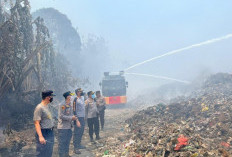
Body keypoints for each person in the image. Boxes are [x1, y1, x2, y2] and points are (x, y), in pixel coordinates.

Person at [57, 91, 80, 157]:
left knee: (67, 142)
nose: (72, 97)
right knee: (62, 143)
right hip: (63, 127)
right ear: (67, 97)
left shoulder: (70, 104)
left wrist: (76, 119)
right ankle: (61, 155)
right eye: (71, 95)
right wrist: (71, 118)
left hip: (69, 127)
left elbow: (72, 114)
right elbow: (61, 116)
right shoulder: (62, 105)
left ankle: (66, 154)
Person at [33, 90, 56, 157]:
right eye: (51, 97)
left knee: (49, 151)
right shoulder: (39, 108)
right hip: (43, 132)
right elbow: (36, 123)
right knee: (42, 153)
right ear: (48, 97)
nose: (52, 98)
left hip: (50, 131)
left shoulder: (48, 106)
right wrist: (40, 136)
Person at [73, 88, 86, 154]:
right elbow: (74, 110)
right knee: (77, 133)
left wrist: (84, 117)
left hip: (82, 117)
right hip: (77, 118)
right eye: (80, 91)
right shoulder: (75, 99)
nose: (82, 92)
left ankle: (79, 144)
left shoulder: (82, 98)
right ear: (77, 92)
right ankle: (75, 148)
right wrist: (76, 119)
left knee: (81, 131)